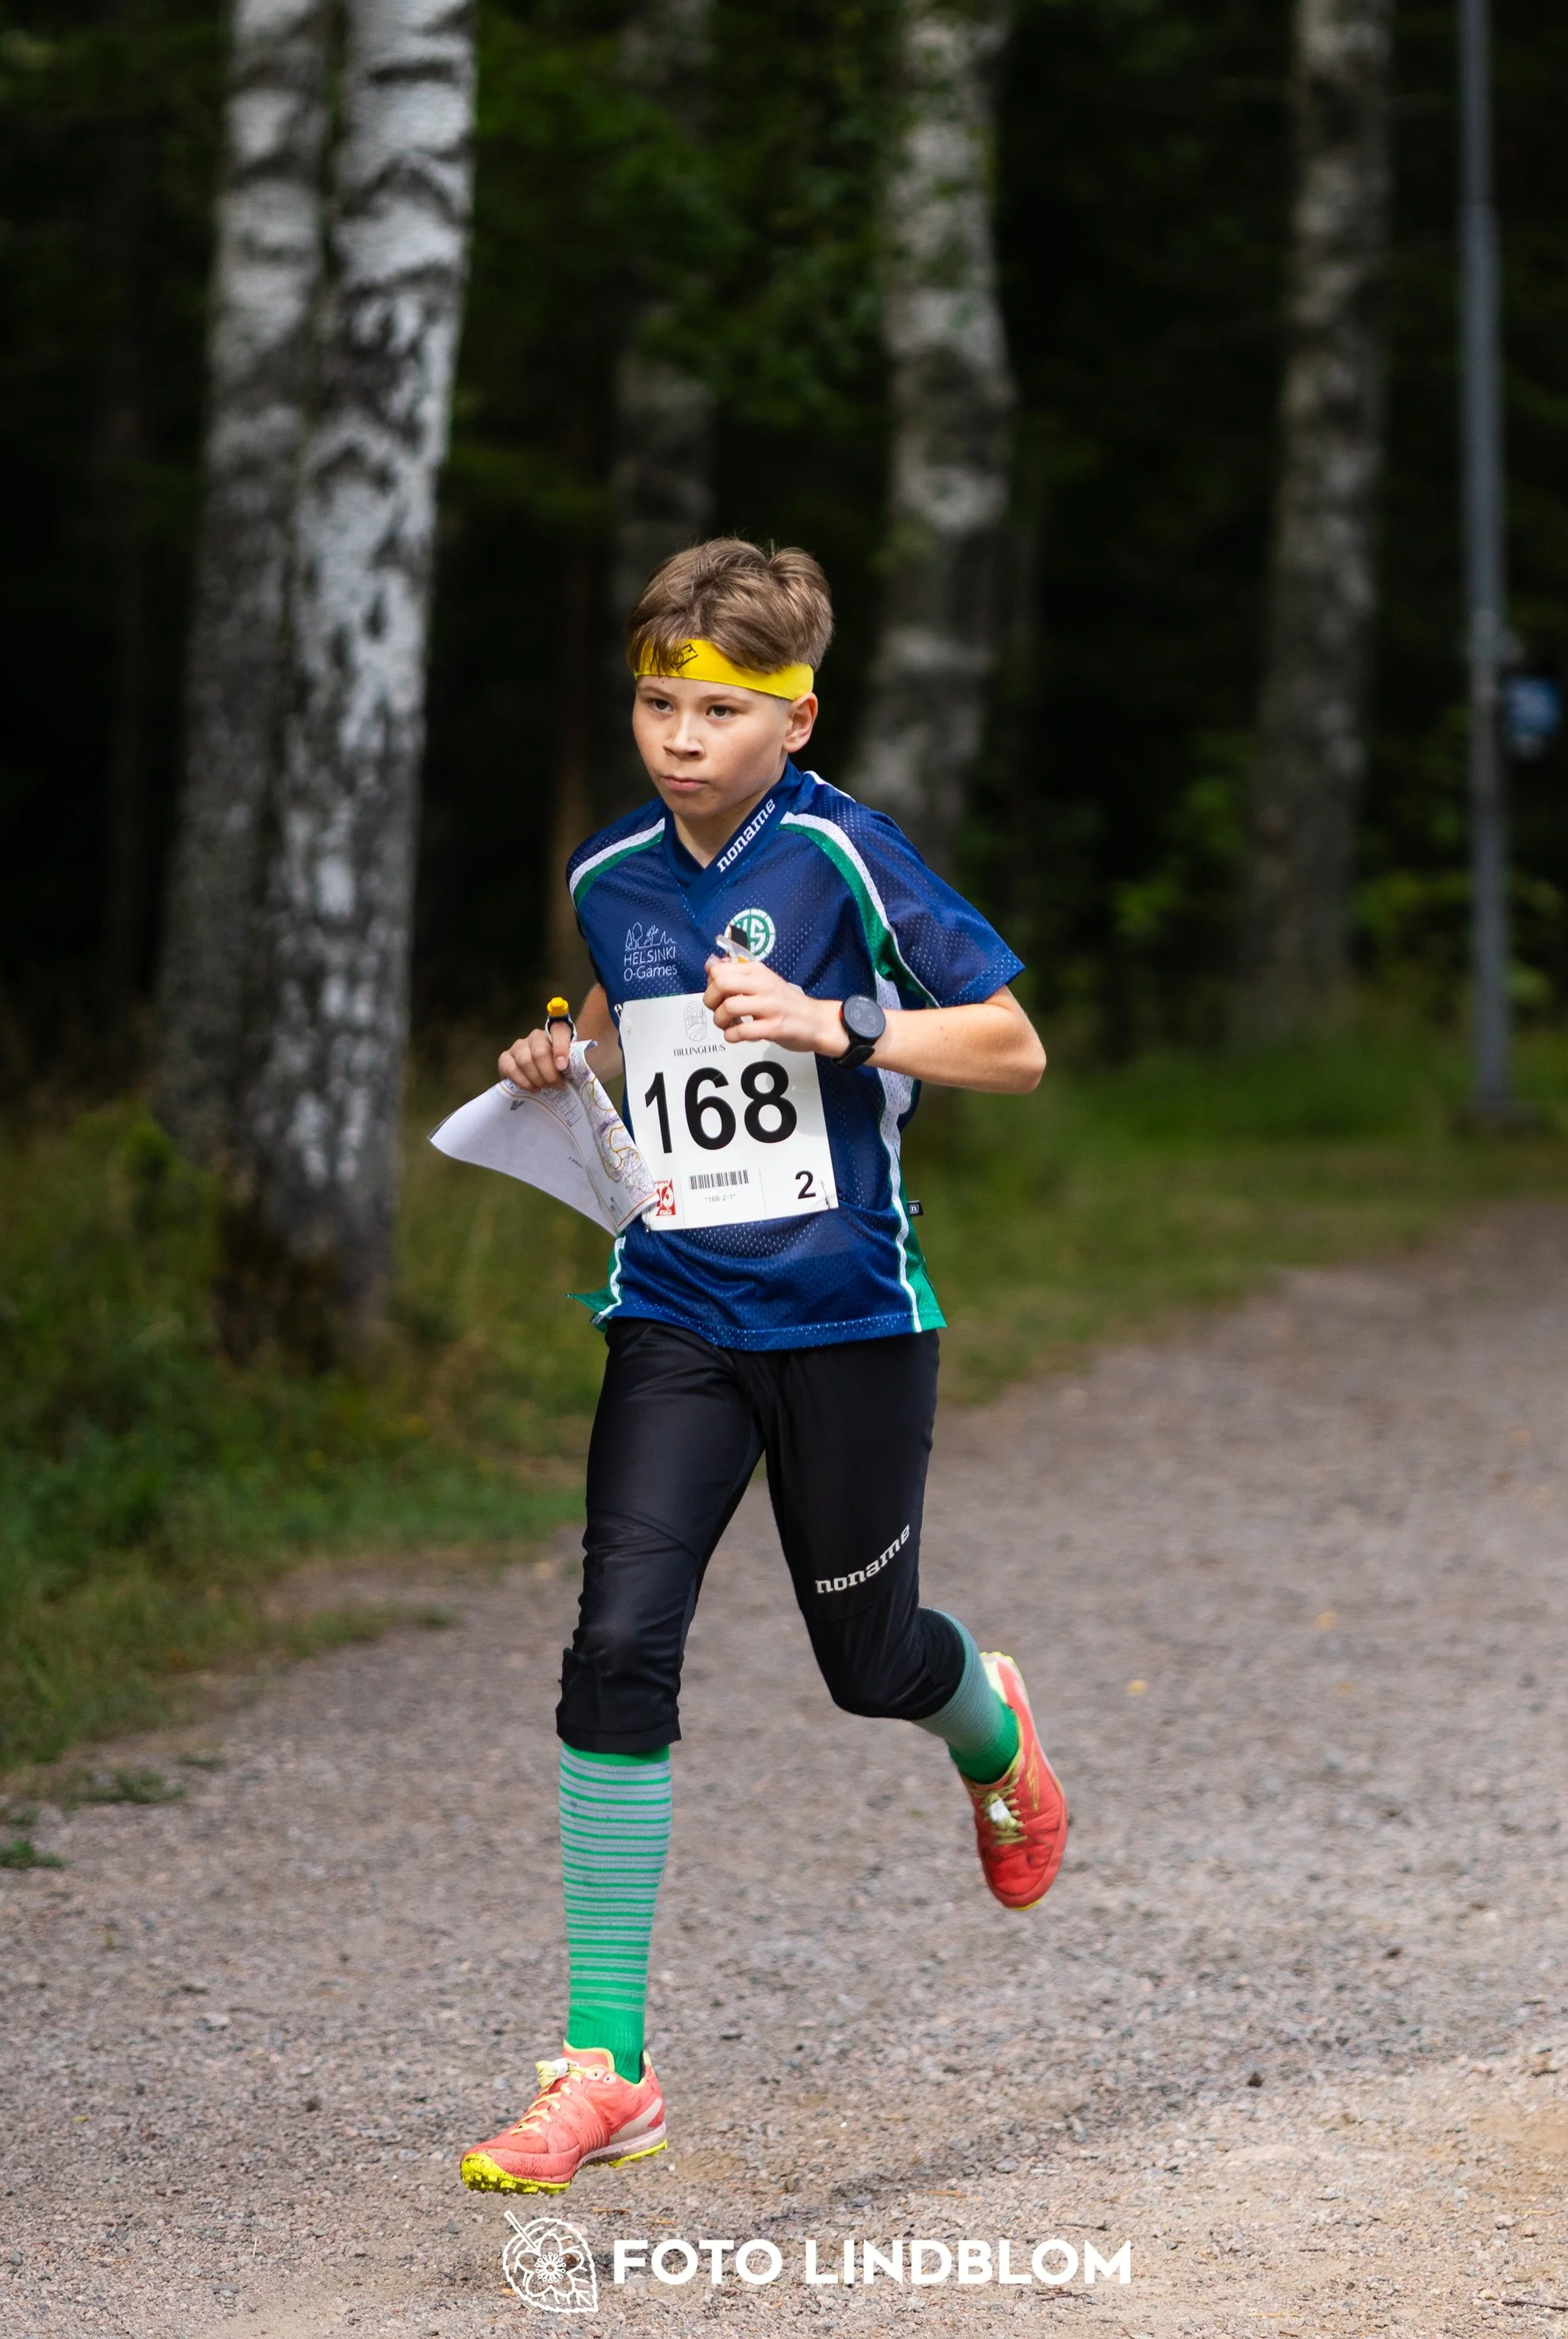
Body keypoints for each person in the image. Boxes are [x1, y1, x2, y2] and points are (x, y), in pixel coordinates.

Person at [459, 538, 1067, 2197]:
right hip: (672, 1312)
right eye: (656, 699)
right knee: (614, 1639)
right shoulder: (609, 872)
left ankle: (988, 1725)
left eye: (717, 710)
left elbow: (1010, 1046)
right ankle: (607, 2065)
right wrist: (560, 1055)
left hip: (851, 1319)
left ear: (792, 720)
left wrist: (837, 1025)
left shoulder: (848, 859)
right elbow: (630, 1014)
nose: (677, 734)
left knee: (864, 1659)